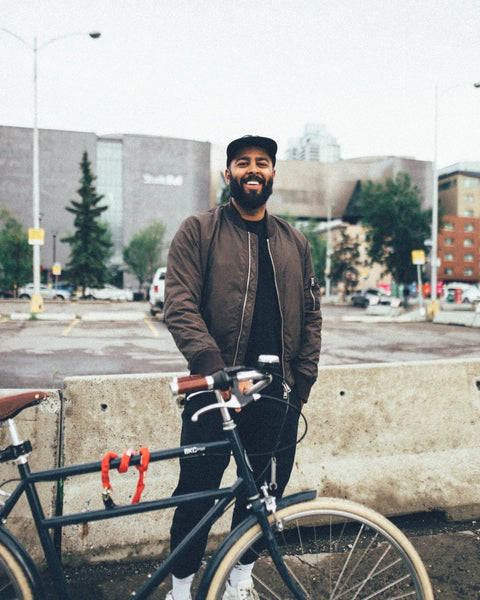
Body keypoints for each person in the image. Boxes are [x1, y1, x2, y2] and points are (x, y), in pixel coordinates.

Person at [164, 135, 322, 600]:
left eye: (263, 163)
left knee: (264, 496)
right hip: (214, 389)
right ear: (227, 173)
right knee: (195, 494)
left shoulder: (295, 240)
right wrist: (215, 370)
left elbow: (312, 312)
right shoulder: (198, 230)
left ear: (273, 173)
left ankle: (239, 581)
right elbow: (179, 305)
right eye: (243, 163)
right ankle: (180, 588)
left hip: (278, 392)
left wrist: (303, 381)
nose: (253, 170)